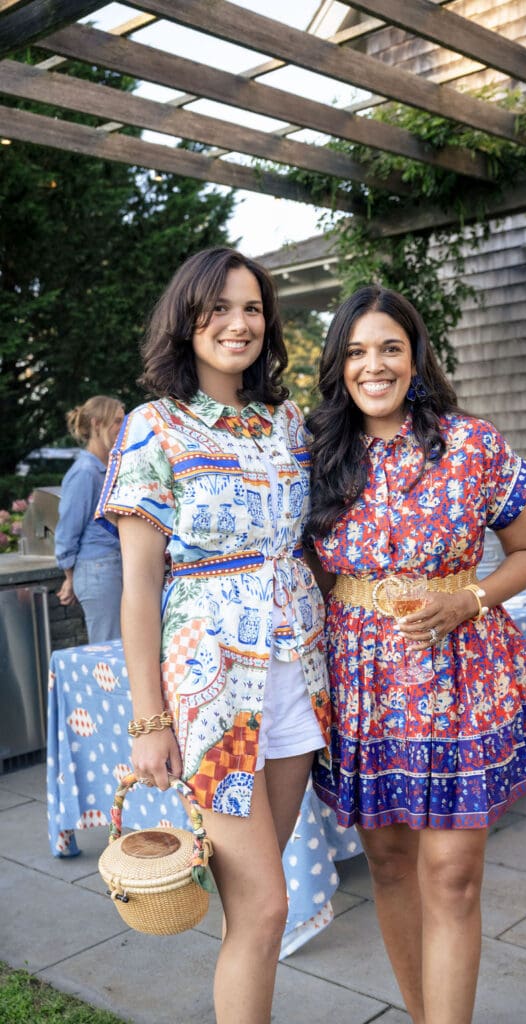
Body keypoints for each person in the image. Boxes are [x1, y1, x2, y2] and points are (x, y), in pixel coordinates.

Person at [306, 286, 526, 1024]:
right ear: (337, 365)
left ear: (415, 357)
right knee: (387, 865)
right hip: (363, 681)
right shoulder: (315, 452)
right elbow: (310, 571)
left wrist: (468, 599)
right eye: (355, 352)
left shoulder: (470, 444)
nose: (372, 365)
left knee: (451, 875)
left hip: (458, 675)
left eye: (388, 347)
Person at [96, 247, 330, 1024]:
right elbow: (139, 589)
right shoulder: (152, 427)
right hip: (213, 695)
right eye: (219, 309)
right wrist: (149, 719)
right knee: (266, 908)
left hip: (299, 683)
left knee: (252, 907)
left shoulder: (287, 422)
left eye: (253, 308)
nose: (238, 323)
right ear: (186, 320)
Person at [55, 395, 125, 642]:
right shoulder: (85, 473)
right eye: (117, 421)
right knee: (109, 650)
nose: (123, 426)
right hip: (98, 570)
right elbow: (66, 532)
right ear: (97, 424)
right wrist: (70, 578)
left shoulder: (108, 467)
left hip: (111, 567)